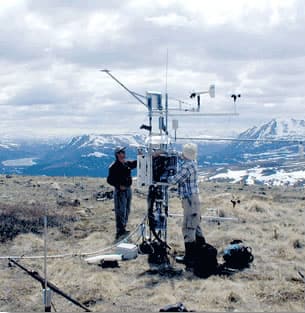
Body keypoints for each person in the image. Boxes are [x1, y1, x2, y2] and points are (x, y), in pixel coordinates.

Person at [168, 143, 205, 269]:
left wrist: (164, 177)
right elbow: (181, 156)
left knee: (188, 227)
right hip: (193, 199)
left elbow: (174, 180)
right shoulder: (192, 162)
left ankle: (190, 258)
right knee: (196, 226)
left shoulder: (187, 166)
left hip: (189, 200)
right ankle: (201, 252)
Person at [107, 146, 137, 240]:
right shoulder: (113, 167)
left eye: (123, 152)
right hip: (120, 191)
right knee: (120, 211)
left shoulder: (126, 163)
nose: (123, 154)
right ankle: (119, 232)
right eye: (121, 152)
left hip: (128, 190)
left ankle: (123, 228)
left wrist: (141, 157)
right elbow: (109, 180)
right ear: (117, 154)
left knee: (126, 210)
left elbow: (134, 164)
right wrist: (118, 186)